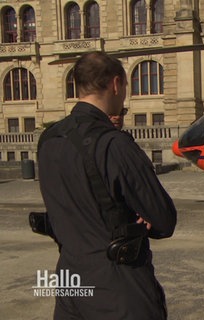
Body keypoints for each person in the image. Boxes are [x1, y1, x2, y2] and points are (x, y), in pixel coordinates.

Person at [38, 51, 177, 320]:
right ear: (116, 84)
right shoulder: (113, 144)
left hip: (70, 282)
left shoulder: (49, 139)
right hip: (116, 286)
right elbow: (163, 219)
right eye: (125, 87)